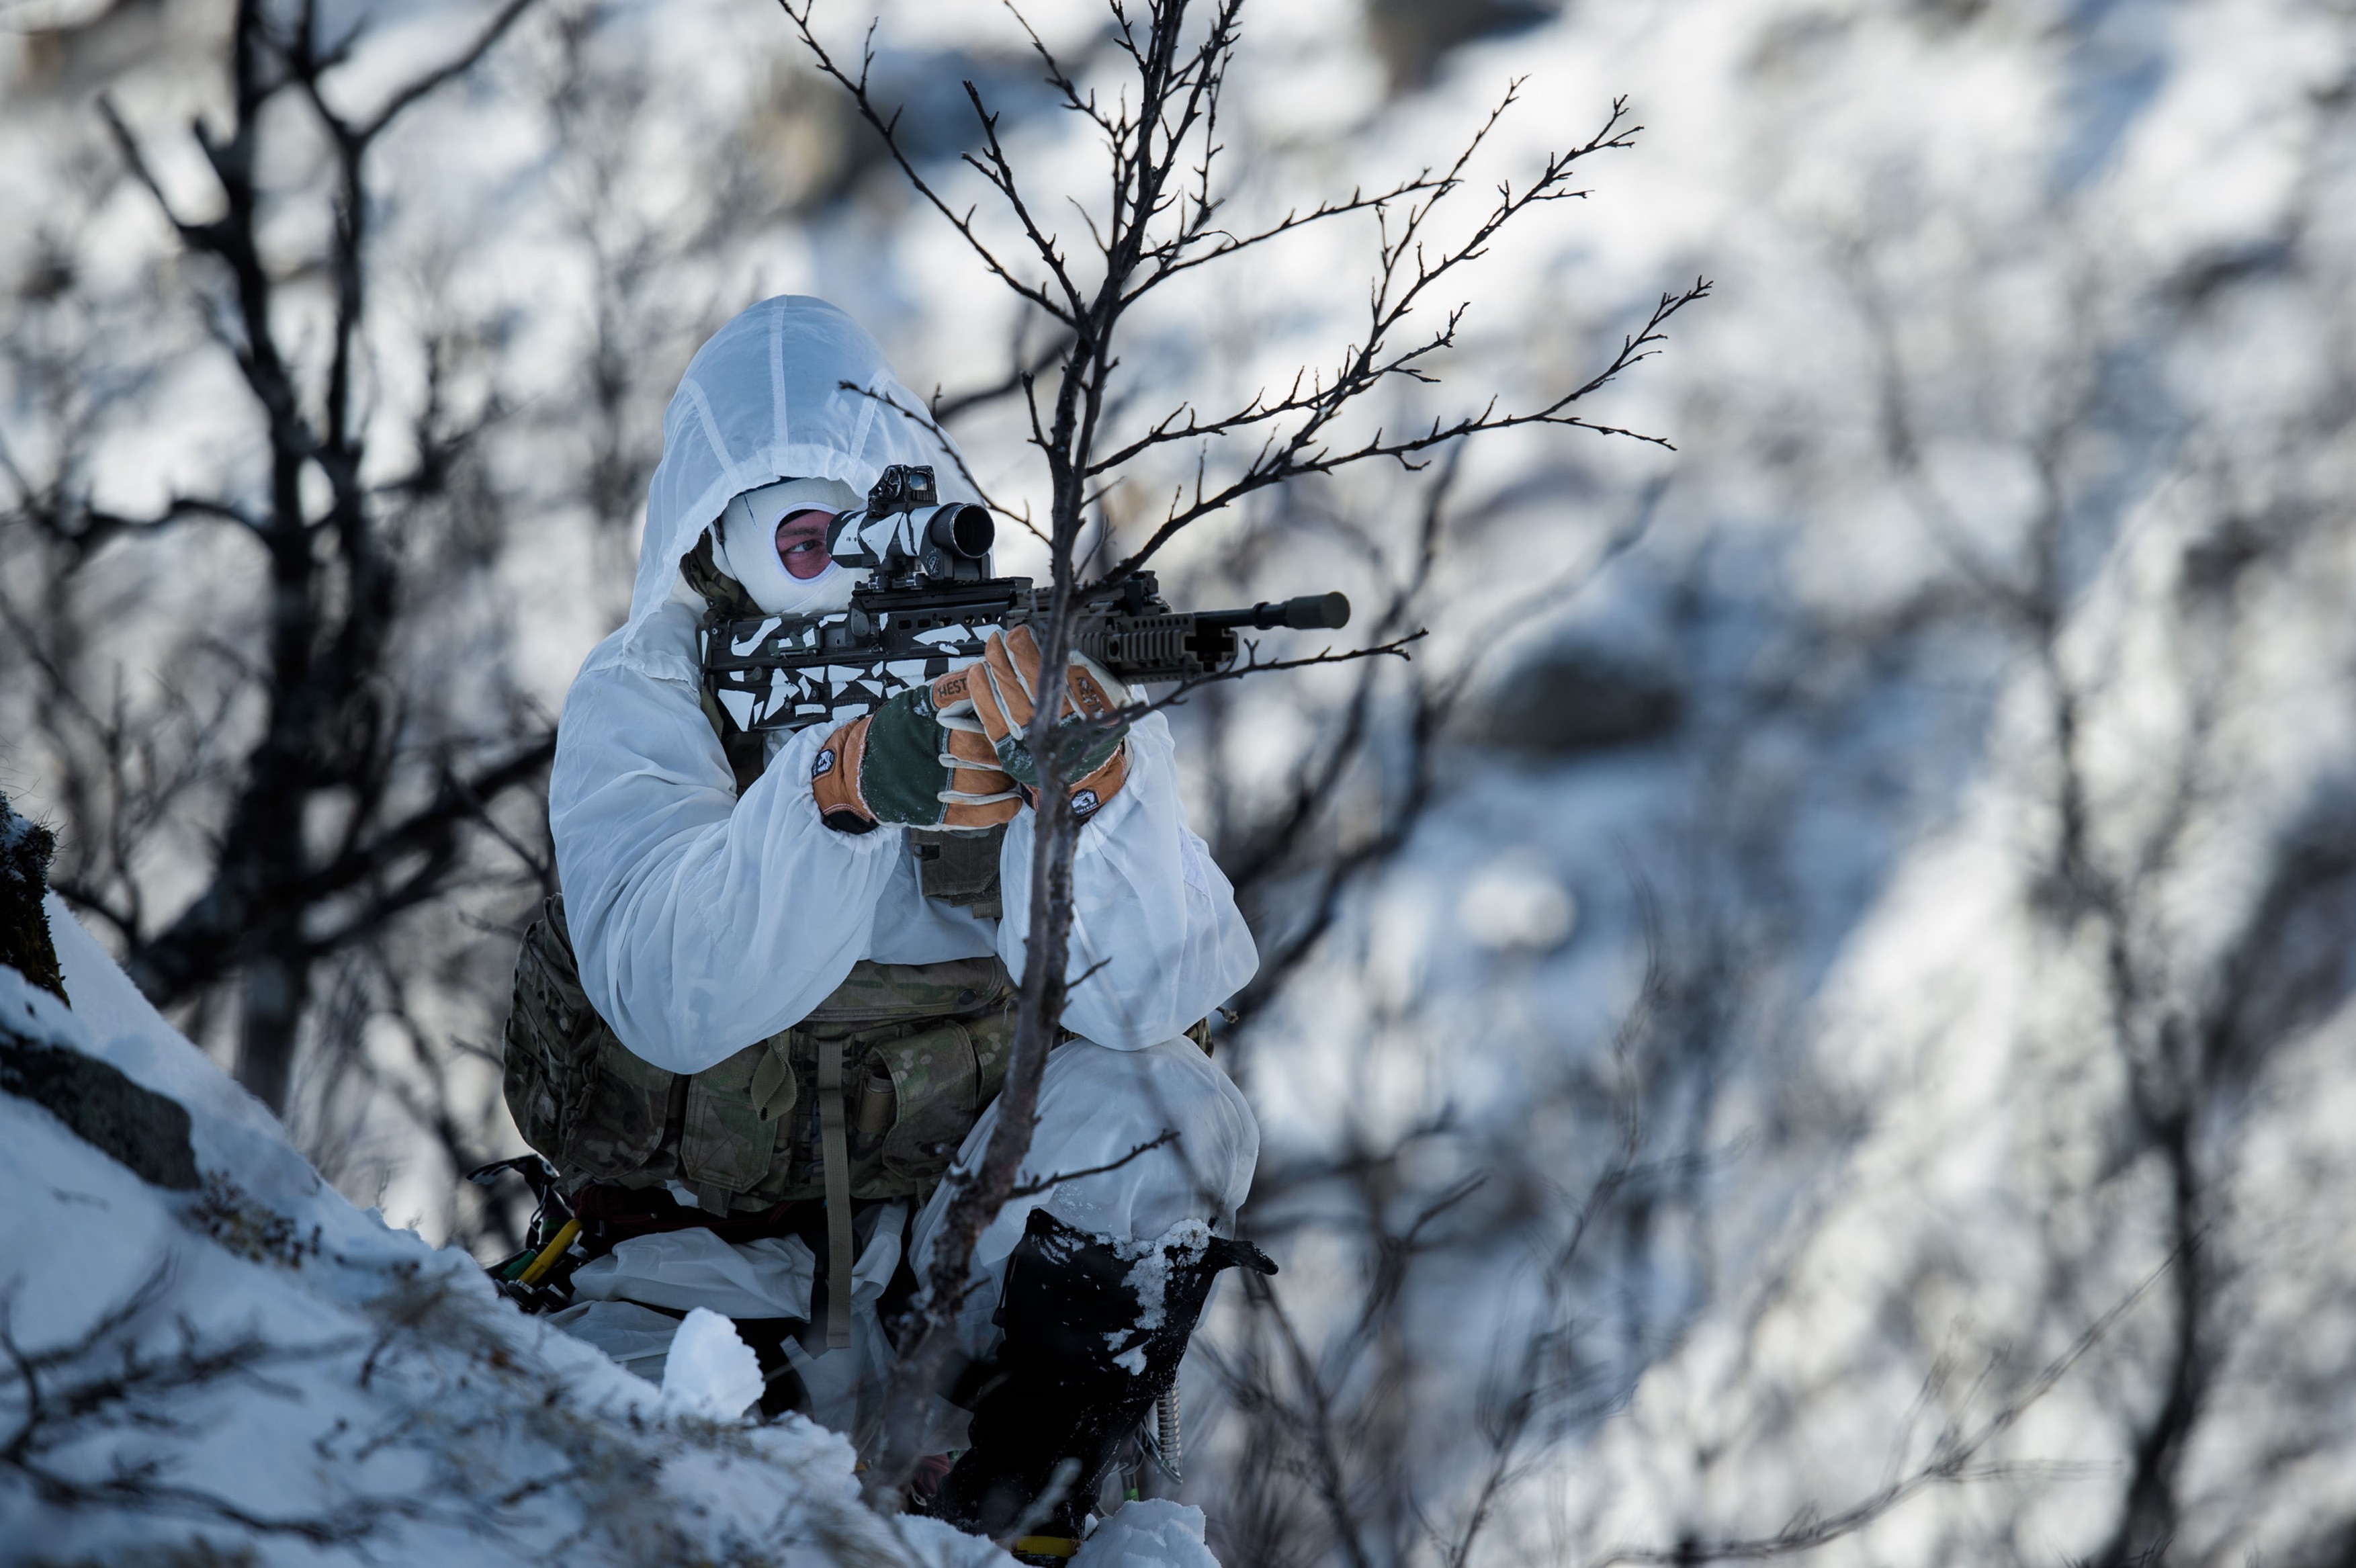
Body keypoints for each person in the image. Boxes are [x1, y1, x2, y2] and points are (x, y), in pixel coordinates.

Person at [507, 295, 1266, 1553]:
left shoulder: (1007, 663)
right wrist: (835, 794)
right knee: (645, 1521)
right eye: (802, 534)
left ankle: (1015, 1506)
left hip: (953, 1275)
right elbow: (667, 993)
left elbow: (1153, 998)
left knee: (1172, 1106)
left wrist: (1094, 797)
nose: (847, 557)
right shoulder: (650, 695)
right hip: (692, 1273)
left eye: (864, 523)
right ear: (720, 544)